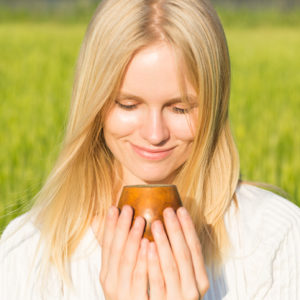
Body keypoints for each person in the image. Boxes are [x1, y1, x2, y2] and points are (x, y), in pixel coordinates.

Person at [1, 0, 300, 299]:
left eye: (180, 108)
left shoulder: (275, 242)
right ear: (93, 103)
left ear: (215, 104)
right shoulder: (28, 255)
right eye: (128, 105)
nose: (155, 134)